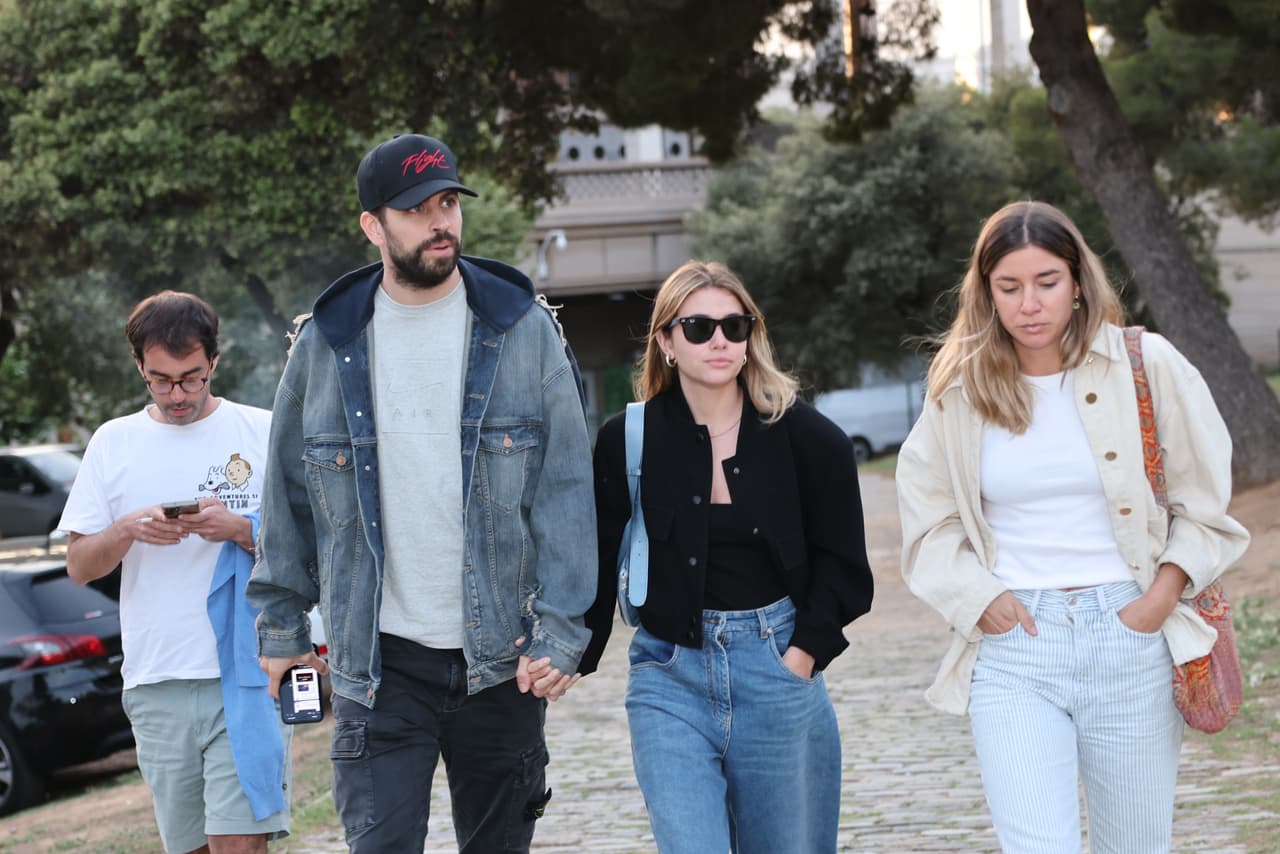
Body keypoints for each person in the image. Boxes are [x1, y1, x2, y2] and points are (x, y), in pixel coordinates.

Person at [246, 133, 598, 853]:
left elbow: (565, 487)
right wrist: (282, 627)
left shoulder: (523, 330)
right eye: (416, 209)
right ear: (373, 226)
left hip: (501, 659)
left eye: (447, 203)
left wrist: (561, 631)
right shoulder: (325, 343)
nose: (441, 221)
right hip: (379, 665)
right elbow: (288, 496)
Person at [896, 200, 1251, 853]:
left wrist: (1159, 598)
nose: (1029, 303)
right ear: (988, 294)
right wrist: (984, 600)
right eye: (1010, 287)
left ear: (1078, 281)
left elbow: (1206, 504)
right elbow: (928, 523)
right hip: (1014, 648)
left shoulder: (1146, 364)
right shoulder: (959, 388)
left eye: (1047, 282)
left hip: (1130, 636)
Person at [577, 260, 875, 853]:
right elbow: (597, 564)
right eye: (698, 327)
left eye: (734, 327)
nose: (719, 340)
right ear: (665, 340)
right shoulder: (625, 440)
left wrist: (801, 656)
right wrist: (566, 654)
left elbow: (846, 568)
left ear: (750, 338)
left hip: (777, 670)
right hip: (669, 677)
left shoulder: (810, 440)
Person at [60, 291, 289, 854]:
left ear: (214, 360)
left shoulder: (263, 430)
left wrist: (239, 528)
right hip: (155, 679)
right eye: (160, 381)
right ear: (140, 366)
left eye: (191, 378)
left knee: (238, 843)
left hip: (246, 672)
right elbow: (79, 566)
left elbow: (315, 546)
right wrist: (126, 530)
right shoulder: (113, 442)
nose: (178, 395)